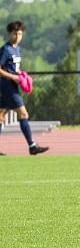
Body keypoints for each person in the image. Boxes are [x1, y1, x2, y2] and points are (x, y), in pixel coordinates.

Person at [0, 21, 49, 156]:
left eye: (20, 33)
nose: (17, 36)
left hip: (11, 86)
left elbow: (13, 67)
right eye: (15, 33)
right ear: (9, 34)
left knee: (1, 116)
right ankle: (32, 146)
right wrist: (13, 77)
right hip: (7, 86)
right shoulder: (6, 49)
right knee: (23, 114)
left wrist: (21, 75)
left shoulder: (17, 49)